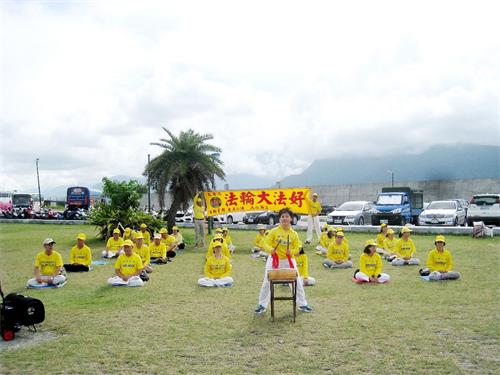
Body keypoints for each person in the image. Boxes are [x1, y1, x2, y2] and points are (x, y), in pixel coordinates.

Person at [255, 208, 313, 314]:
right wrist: (270, 250)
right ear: (280, 218)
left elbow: (298, 248)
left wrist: (291, 251)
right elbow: (265, 243)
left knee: (297, 281)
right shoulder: (273, 231)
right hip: (274, 260)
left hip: (288, 260)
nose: (284, 218)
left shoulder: (294, 234)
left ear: (291, 219)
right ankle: (262, 305)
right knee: (267, 281)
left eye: (287, 216)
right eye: (282, 216)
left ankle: (302, 304)